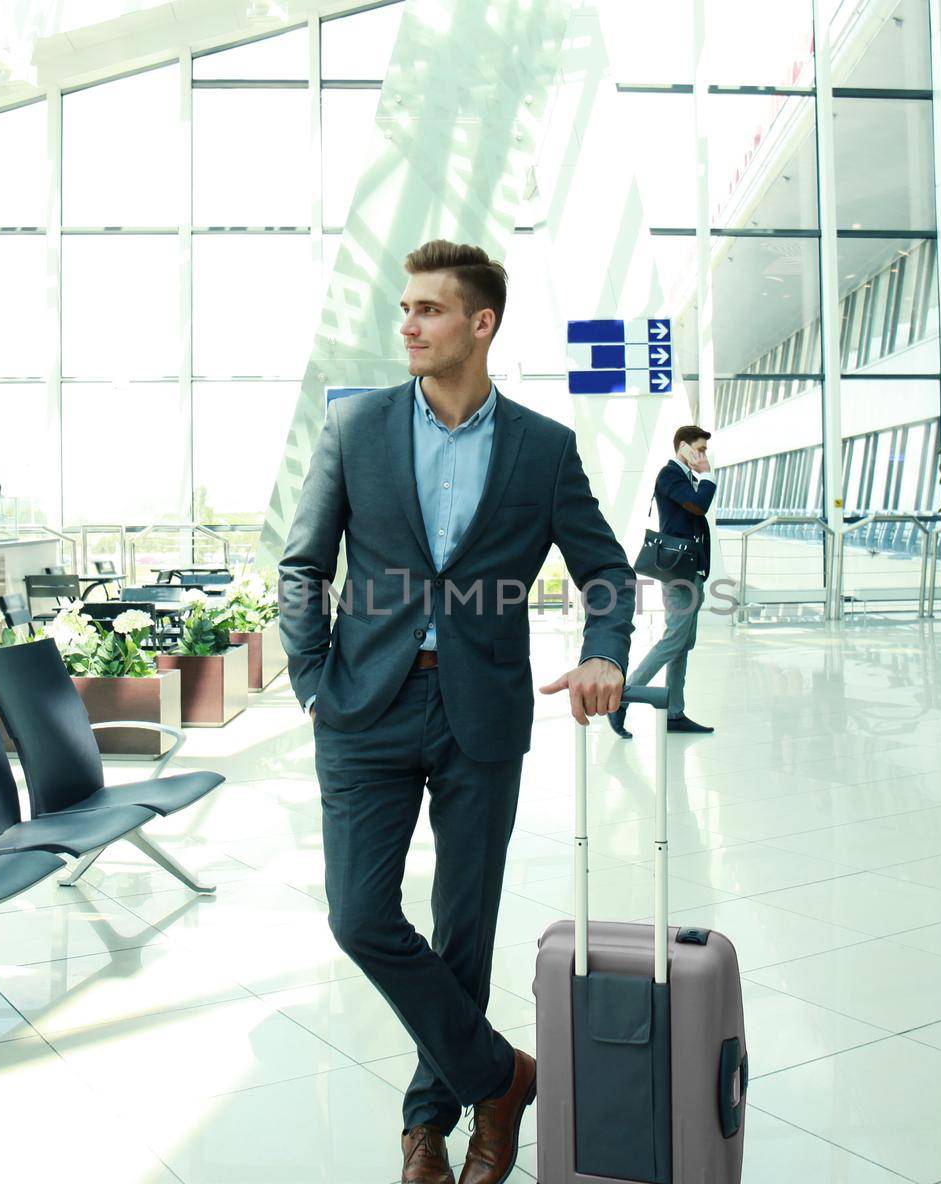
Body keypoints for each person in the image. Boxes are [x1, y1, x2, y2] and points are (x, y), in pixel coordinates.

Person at [279, 239, 635, 1184]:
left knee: (463, 926)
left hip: (481, 711)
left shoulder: (542, 449)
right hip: (364, 705)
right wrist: (314, 679)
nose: (408, 324)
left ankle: (431, 1126)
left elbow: (605, 569)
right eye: (404, 308)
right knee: (358, 915)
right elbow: (303, 565)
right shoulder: (356, 430)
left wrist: (604, 652)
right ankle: (502, 1077)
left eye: (429, 309)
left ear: (481, 324)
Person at [610, 425, 715, 738]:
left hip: (690, 571)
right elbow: (699, 505)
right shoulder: (670, 475)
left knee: (682, 644)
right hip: (680, 576)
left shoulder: (684, 478)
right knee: (673, 640)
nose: (703, 455)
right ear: (683, 447)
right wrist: (707, 475)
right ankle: (623, 697)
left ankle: (674, 712)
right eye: (700, 448)